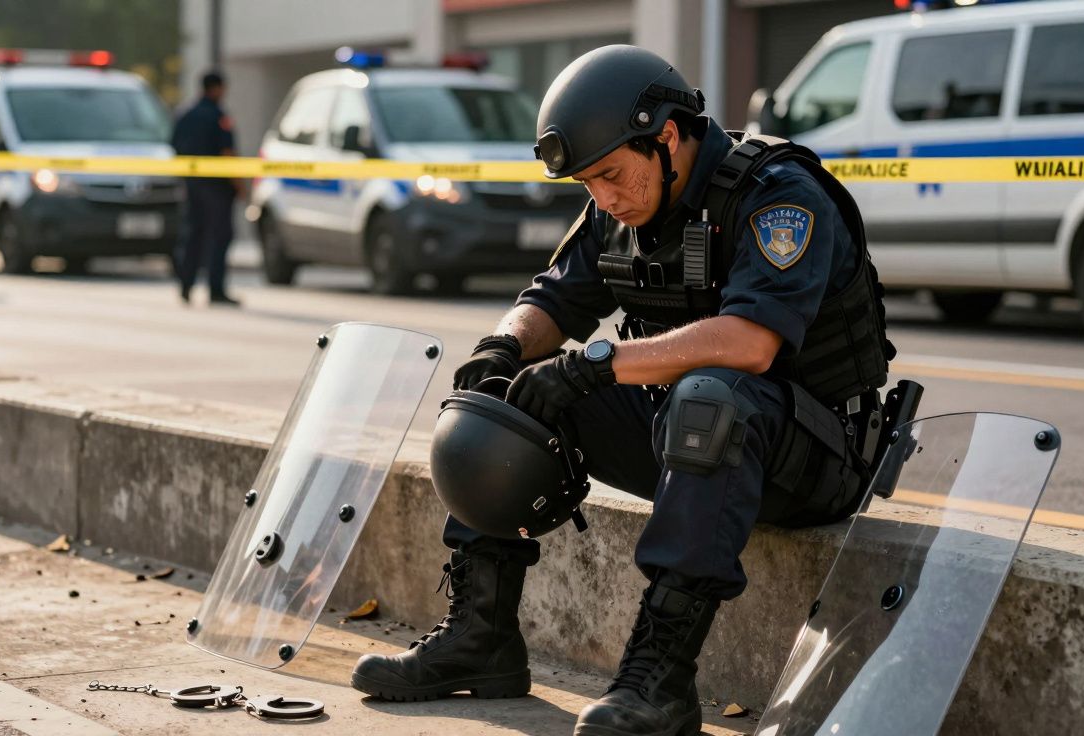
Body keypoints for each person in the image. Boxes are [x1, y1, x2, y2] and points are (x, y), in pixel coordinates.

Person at [350, 45, 894, 736]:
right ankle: (479, 637)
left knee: (709, 398)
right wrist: (503, 347)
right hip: (697, 431)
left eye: (609, 176)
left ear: (666, 137)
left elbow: (750, 343)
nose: (602, 197)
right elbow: (552, 297)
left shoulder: (778, 193)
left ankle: (659, 683)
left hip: (816, 454)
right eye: (586, 184)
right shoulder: (623, 201)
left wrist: (596, 364)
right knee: (508, 393)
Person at [171, 71, 241, 306]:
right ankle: (216, 289)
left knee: (193, 236)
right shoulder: (218, 115)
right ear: (217, 88)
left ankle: (186, 286)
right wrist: (239, 185)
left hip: (192, 186)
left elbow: (174, 148)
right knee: (219, 238)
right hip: (217, 188)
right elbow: (227, 154)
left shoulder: (185, 114)